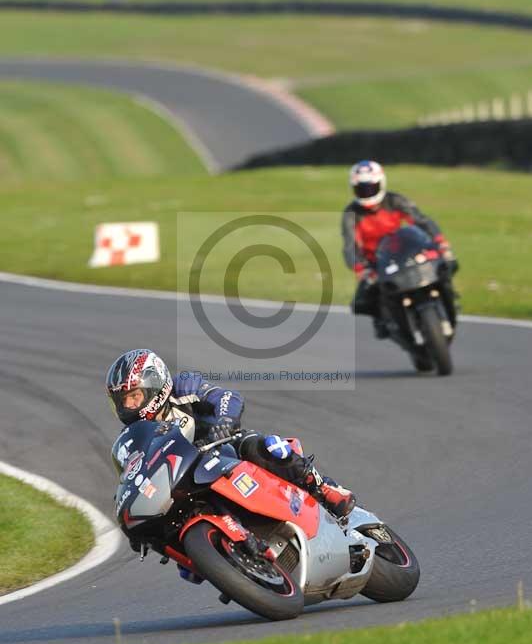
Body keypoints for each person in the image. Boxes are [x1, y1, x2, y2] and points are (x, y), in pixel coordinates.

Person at [107, 349, 356, 530]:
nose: (127, 405)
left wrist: (224, 422)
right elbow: (132, 473)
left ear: (154, 385)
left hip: (222, 448)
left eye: (134, 396)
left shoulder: (182, 388)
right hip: (187, 481)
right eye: (122, 400)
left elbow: (226, 396)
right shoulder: (133, 437)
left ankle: (323, 488)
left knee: (263, 446)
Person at [342, 160, 457, 338]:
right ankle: (382, 320)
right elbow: (350, 246)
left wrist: (440, 242)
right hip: (376, 262)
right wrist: (361, 268)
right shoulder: (352, 213)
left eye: (371, 188)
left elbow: (421, 221)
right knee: (362, 301)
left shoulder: (395, 200)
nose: (367, 193)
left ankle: (450, 299)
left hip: (404, 252)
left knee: (446, 266)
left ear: (381, 183)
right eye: (361, 189)